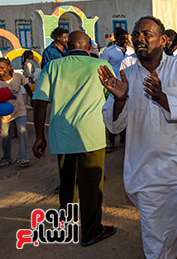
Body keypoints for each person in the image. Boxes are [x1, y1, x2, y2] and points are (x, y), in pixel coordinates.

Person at [99, 16, 177, 259]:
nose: (139, 38)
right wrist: (119, 99)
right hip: (146, 170)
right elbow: (114, 125)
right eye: (136, 33)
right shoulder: (127, 75)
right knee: (154, 231)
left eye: (147, 33)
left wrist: (162, 98)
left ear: (163, 40)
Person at [32, 31, 117, 247]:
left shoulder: (53, 67)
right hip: (91, 134)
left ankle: (67, 218)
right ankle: (91, 231)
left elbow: (40, 102)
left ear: (67, 46)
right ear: (89, 46)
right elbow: (113, 96)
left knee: (67, 179)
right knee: (91, 185)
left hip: (61, 132)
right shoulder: (99, 67)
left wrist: (39, 136)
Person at [101, 28, 134, 150]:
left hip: (128, 85)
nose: (125, 40)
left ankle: (125, 139)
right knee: (113, 111)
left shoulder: (131, 51)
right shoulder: (109, 51)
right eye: (122, 38)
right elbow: (103, 66)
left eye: (126, 38)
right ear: (116, 38)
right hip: (114, 85)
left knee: (126, 112)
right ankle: (111, 140)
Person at [0, 58, 33, 167]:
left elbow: (26, 85)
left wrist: (32, 97)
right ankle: (6, 158)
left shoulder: (18, 77)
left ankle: (23, 157)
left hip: (19, 110)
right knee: (5, 136)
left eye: (2, 68)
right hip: (5, 115)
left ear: (9, 67)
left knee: (22, 132)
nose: (0, 70)